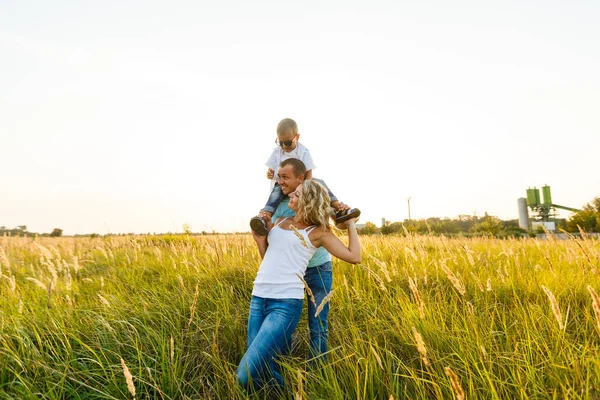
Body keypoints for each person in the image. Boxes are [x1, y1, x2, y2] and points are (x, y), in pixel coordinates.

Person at [236, 178, 361, 392]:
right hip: (258, 298)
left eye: (297, 194)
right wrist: (260, 242)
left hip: (284, 305)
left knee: (243, 375)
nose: (291, 195)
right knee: (259, 367)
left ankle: (295, 394)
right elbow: (269, 259)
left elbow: (354, 256)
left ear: (308, 200)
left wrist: (350, 224)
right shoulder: (281, 221)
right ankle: (292, 393)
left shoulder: (319, 232)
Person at [249, 118, 360, 236]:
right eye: (280, 142)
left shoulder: (303, 151)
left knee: (319, 183)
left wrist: (303, 188)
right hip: (281, 187)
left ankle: (338, 208)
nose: (283, 146)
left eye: (287, 142)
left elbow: (309, 174)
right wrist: (269, 174)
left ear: (297, 137)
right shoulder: (277, 152)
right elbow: (270, 172)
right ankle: (265, 216)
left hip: (302, 183)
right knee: (276, 193)